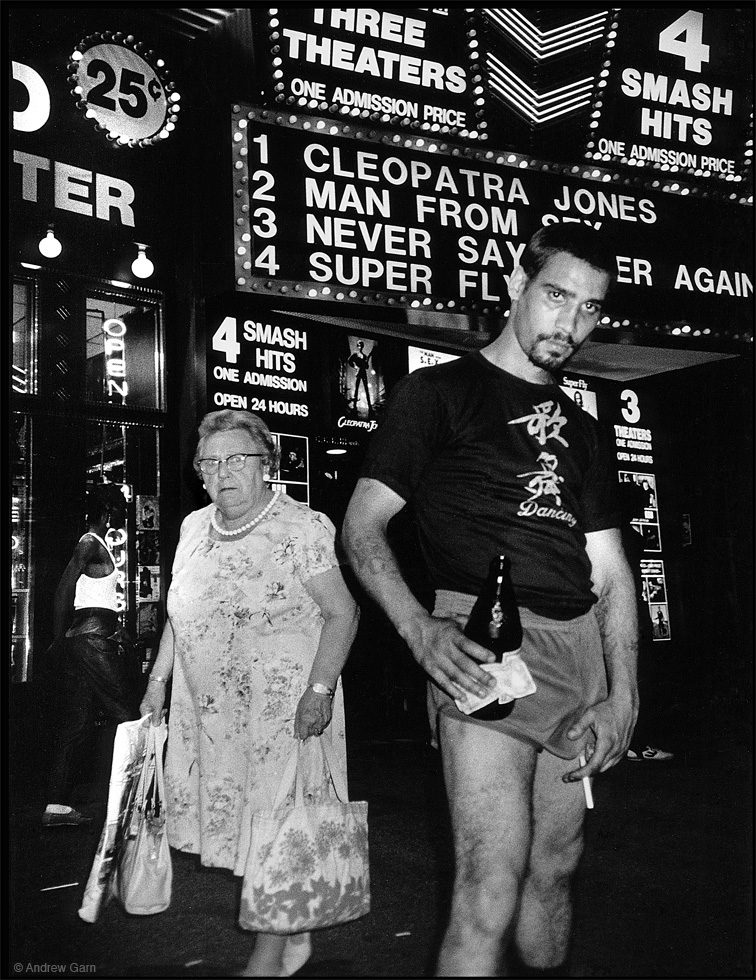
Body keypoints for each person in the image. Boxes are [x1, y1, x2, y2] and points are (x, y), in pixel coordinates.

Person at [343, 224, 638, 977]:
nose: (570, 324)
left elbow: (610, 573)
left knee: (555, 870)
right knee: (489, 881)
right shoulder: (437, 394)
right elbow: (362, 528)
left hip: (579, 660)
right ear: (516, 283)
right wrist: (417, 629)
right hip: (486, 649)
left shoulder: (586, 433)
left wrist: (624, 696)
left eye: (589, 309)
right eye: (557, 296)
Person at [140, 409, 359, 978]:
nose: (222, 472)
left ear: (268, 465)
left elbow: (342, 612)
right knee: (250, 824)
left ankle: (266, 958)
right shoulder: (193, 527)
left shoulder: (301, 527)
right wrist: (157, 681)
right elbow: (177, 615)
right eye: (209, 462)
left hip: (281, 708)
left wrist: (319, 689)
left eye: (238, 459)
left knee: (271, 827)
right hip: (210, 711)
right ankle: (295, 929)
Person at [43, 486, 136, 828]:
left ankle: (57, 807)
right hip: (90, 640)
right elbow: (63, 589)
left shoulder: (98, 545)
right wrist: (58, 639)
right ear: (108, 511)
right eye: (120, 510)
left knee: (78, 722)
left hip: (90, 636)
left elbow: (91, 597)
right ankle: (138, 798)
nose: (123, 515)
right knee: (126, 711)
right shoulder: (89, 543)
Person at [348, 340, 373, 413]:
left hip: (363, 373)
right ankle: (354, 406)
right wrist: (356, 367)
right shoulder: (355, 354)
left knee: (366, 389)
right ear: (357, 346)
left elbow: (366, 367)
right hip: (359, 373)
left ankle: (369, 406)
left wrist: (367, 360)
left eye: (361, 345)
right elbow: (349, 361)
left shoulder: (364, 356)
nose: (360, 347)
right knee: (356, 389)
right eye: (359, 345)